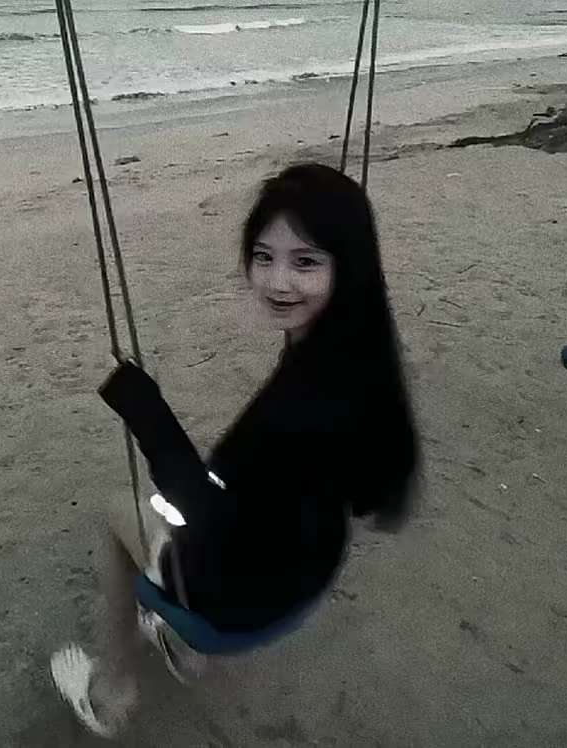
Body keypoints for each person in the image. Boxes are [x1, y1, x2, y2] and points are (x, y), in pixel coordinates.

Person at [50, 163, 420, 738]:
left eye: (305, 262)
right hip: (302, 582)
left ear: (347, 267)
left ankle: (116, 689)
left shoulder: (308, 402)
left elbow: (205, 512)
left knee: (119, 513)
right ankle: (178, 646)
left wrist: (140, 402)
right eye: (264, 257)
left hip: (237, 605)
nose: (278, 282)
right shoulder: (358, 356)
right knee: (193, 507)